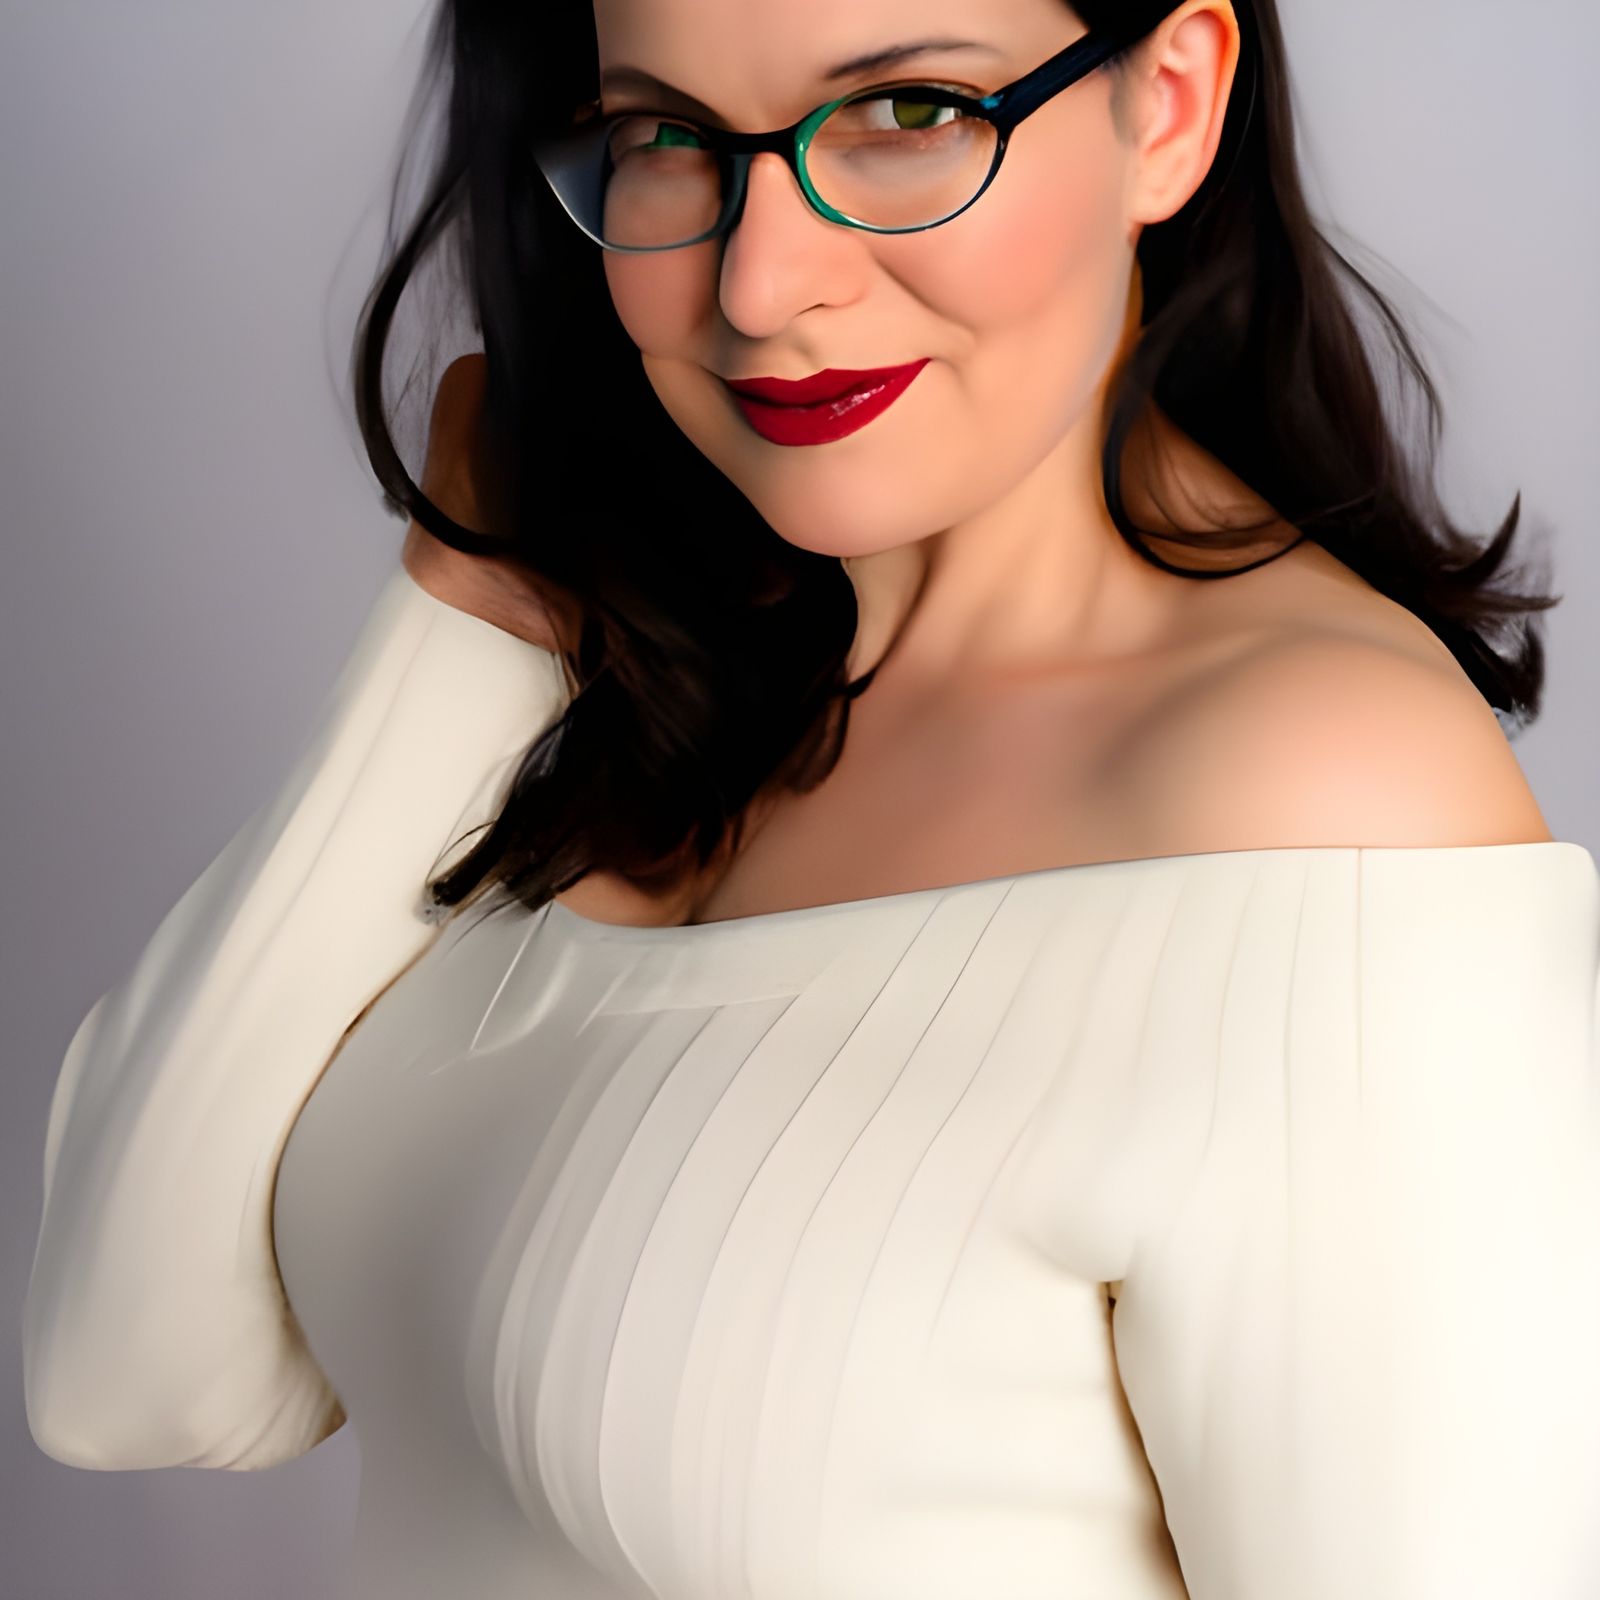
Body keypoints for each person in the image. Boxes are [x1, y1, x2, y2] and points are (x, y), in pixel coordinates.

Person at [23, 0, 1600, 1596]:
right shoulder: (669, 678)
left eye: (908, 117)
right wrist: (467, 611)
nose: (762, 284)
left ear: (1171, 107)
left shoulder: (1324, 807)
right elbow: (129, 1370)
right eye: (663, 138)